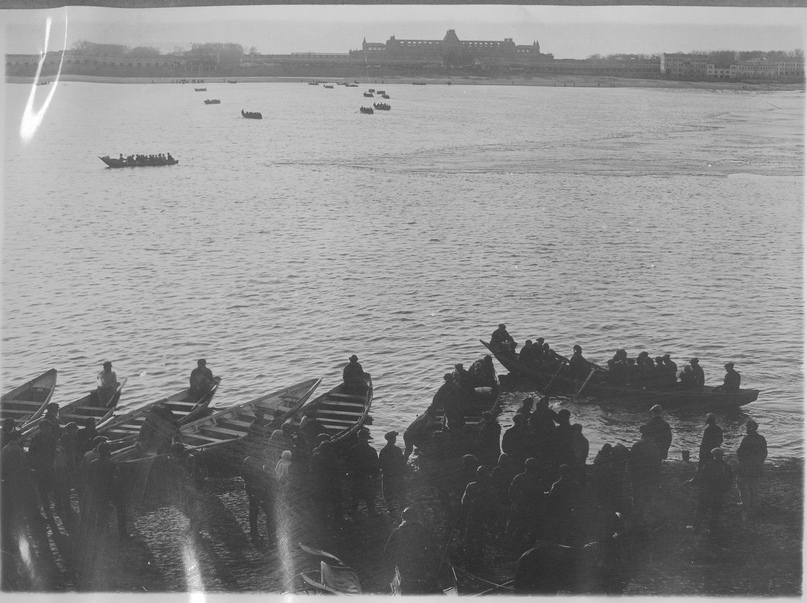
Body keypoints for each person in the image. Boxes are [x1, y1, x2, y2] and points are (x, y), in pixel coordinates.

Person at [383, 507, 438, 594]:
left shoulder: (397, 532)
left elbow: (387, 551)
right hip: (422, 566)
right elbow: (434, 548)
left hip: (404, 568)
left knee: (407, 590)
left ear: (403, 518)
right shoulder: (424, 530)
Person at [688, 448, 733, 532]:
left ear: (713, 455)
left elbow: (701, 478)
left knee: (700, 510)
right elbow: (730, 480)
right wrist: (724, 490)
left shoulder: (708, 465)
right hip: (719, 493)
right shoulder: (726, 467)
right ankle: (712, 528)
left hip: (707, 492)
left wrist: (701, 488)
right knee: (715, 511)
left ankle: (695, 527)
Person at [628, 425, 662, 518]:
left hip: (638, 475)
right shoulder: (654, 447)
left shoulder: (636, 445)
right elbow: (658, 464)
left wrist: (631, 475)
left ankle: (637, 513)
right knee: (648, 494)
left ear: (642, 435)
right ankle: (647, 513)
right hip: (650, 476)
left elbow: (631, 462)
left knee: (637, 494)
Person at [346, 429, 380, 516]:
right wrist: (375, 477)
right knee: (368, 495)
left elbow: (349, 463)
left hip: (356, 475)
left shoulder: (353, 449)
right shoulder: (372, 450)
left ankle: (354, 511)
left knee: (355, 495)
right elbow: (376, 466)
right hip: (367, 475)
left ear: (358, 438)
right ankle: (372, 511)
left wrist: (349, 473)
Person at [736, 420, 767, 515]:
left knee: (742, 484)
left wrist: (741, 461)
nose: (746, 429)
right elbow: (764, 453)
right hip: (757, 466)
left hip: (746, 466)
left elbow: (740, 452)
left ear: (750, 428)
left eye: (747, 427)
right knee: (753, 485)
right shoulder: (761, 438)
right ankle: (754, 503)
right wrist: (760, 463)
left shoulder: (747, 439)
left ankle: (745, 503)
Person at [379, 431, 407, 513]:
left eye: (395, 438)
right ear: (390, 439)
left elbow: (380, 463)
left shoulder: (383, 450)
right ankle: (401, 508)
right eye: (393, 438)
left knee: (388, 492)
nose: (395, 439)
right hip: (395, 474)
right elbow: (401, 462)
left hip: (388, 475)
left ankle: (390, 508)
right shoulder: (397, 450)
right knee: (399, 491)